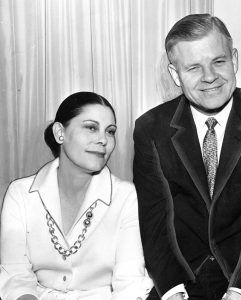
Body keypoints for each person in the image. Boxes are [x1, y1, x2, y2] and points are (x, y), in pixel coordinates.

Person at [133, 14, 241, 300]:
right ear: (175, 74)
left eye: (219, 62)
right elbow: (154, 222)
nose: (209, 77)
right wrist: (172, 289)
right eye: (194, 67)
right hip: (184, 281)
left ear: (234, 60)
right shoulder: (150, 128)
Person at [0, 92, 153, 300]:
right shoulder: (20, 194)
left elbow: (129, 282)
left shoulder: (125, 196)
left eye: (110, 131)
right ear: (59, 133)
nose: (103, 140)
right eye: (91, 127)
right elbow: (15, 277)